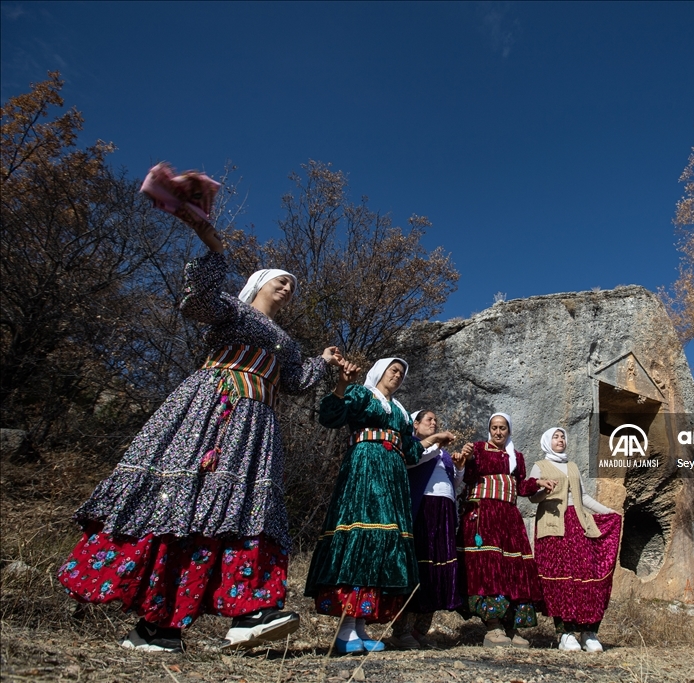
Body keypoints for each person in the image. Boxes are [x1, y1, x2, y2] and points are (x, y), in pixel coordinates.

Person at [57, 163, 343, 653]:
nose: (289, 287)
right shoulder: (233, 311)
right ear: (256, 285)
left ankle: (215, 616)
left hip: (257, 426)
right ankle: (162, 622)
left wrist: (326, 362)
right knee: (186, 502)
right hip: (213, 412)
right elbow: (197, 302)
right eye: (281, 280)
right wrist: (212, 245)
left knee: (243, 507)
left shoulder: (289, 344)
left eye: (293, 284)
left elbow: (296, 382)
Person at [305, 358, 455, 654]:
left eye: (401, 373)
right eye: (393, 370)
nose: (397, 376)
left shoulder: (399, 410)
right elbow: (330, 417)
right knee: (362, 536)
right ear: (379, 372)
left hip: (393, 478)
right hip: (365, 468)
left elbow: (410, 451)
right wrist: (342, 384)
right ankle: (345, 629)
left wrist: (435, 439)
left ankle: (360, 628)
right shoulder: (362, 394)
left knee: (383, 543)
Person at [457, 414, 557, 649]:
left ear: (509, 430)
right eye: (494, 428)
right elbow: (469, 476)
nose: (498, 432)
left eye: (502, 428)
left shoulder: (516, 457)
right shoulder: (479, 449)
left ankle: (511, 627)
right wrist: (468, 458)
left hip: (509, 518)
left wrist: (538, 484)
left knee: (513, 568)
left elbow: (520, 486)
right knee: (488, 568)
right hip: (485, 515)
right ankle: (493, 627)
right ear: (489, 429)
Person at [529, 427, 622, 652]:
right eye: (555, 437)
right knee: (561, 580)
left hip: (578, 524)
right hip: (553, 527)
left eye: (563, 437)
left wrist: (609, 511)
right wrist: (544, 489)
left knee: (585, 575)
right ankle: (565, 633)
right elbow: (533, 497)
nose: (560, 440)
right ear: (547, 441)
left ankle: (588, 632)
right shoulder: (540, 466)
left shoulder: (572, 466)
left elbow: (584, 496)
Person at [390, 409, 466, 649]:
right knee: (419, 566)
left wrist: (460, 468)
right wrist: (434, 443)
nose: (433, 423)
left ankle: (420, 629)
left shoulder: (441, 454)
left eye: (436, 421)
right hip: (421, 509)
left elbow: (453, 485)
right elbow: (413, 462)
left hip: (443, 512)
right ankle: (401, 631)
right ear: (415, 424)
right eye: (429, 420)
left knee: (437, 568)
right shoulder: (412, 445)